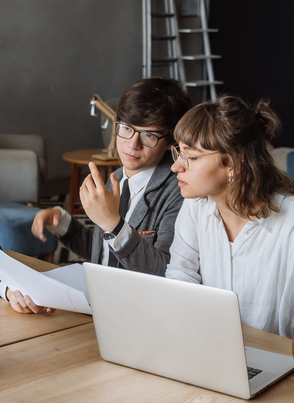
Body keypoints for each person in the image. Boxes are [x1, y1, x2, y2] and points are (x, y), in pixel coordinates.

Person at [165, 95, 294, 381]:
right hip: (212, 359)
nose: (176, 167)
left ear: (231, 163)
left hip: (281, 375)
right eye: (178, 153)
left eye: (191, 157)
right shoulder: (195, 206)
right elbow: (181, 277)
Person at [12, 77, 193, 314]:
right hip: (99, 305)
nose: (132, 144)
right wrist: (63, 223)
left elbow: (166, 273)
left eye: (148, 135)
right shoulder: (115, 178)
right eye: (126, 128)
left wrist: (113, 224)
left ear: (170, 141)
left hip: (142, 314)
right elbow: (106, 254)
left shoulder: (179, 192)